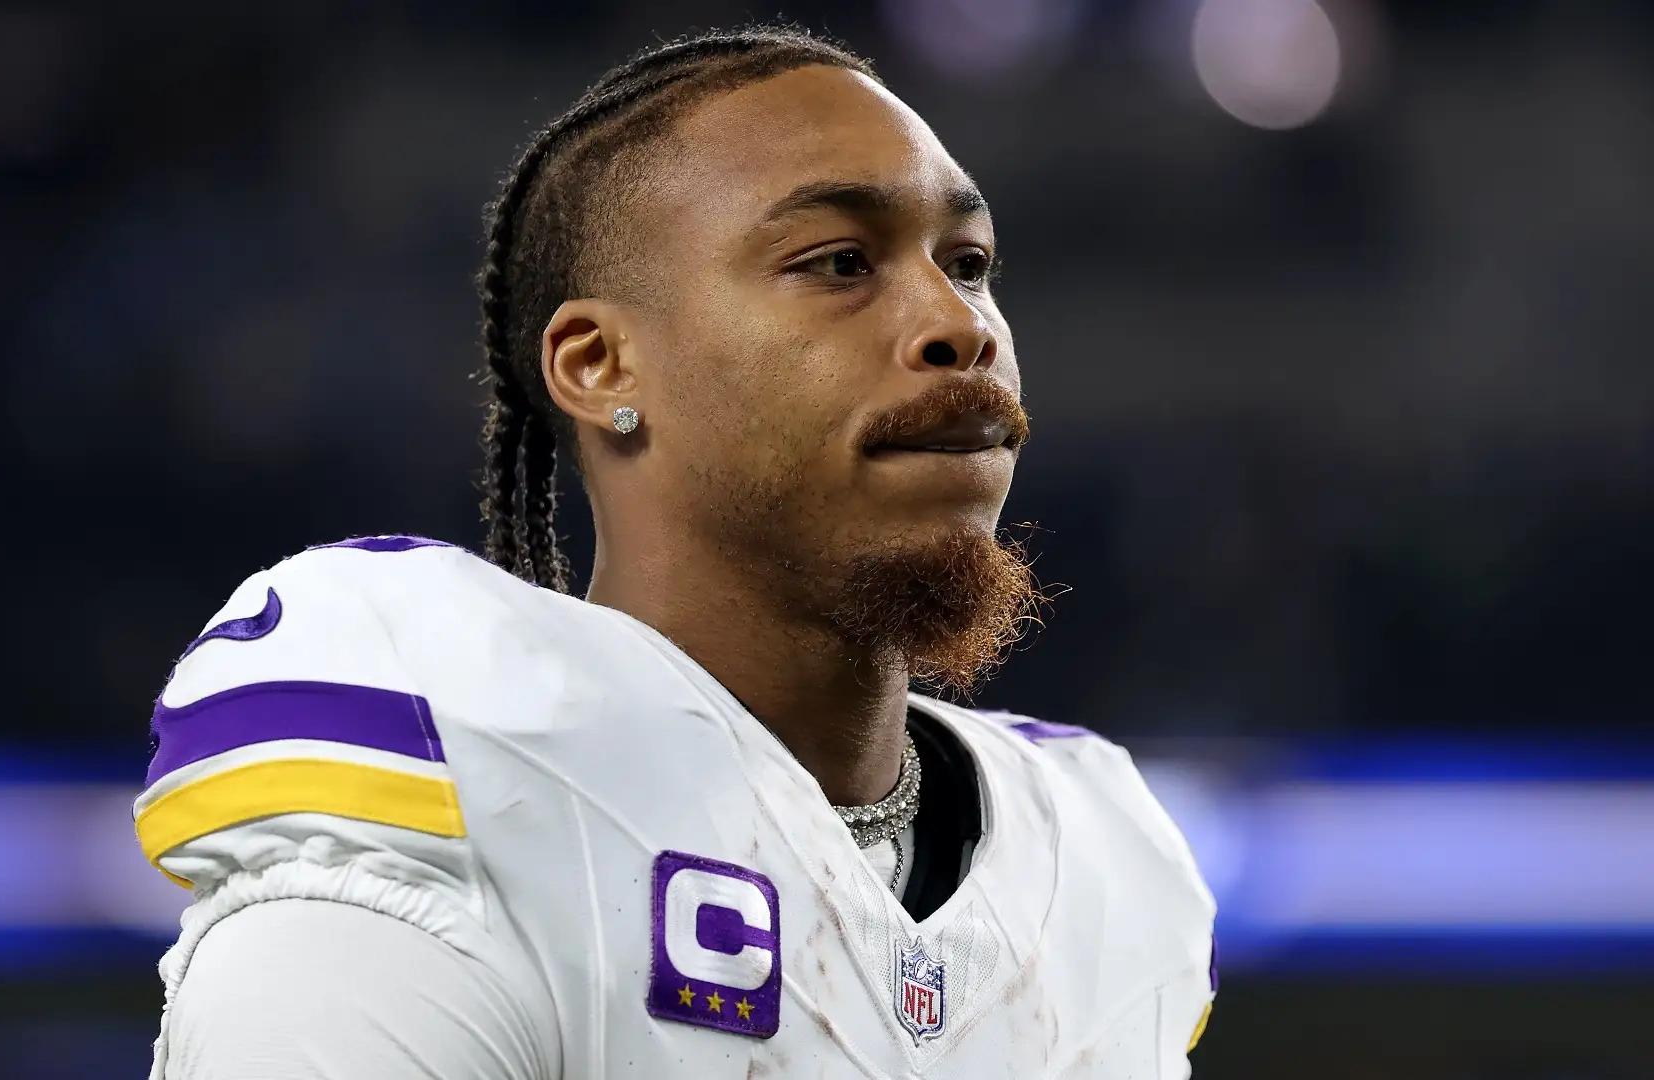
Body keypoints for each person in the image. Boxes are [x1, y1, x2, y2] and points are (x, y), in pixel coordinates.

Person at [136, 25, 1215, 1079]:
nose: (960, 325)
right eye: (840, 263)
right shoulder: (457, 779)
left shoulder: (1100, 865)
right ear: (600, 365)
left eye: (968, 264)